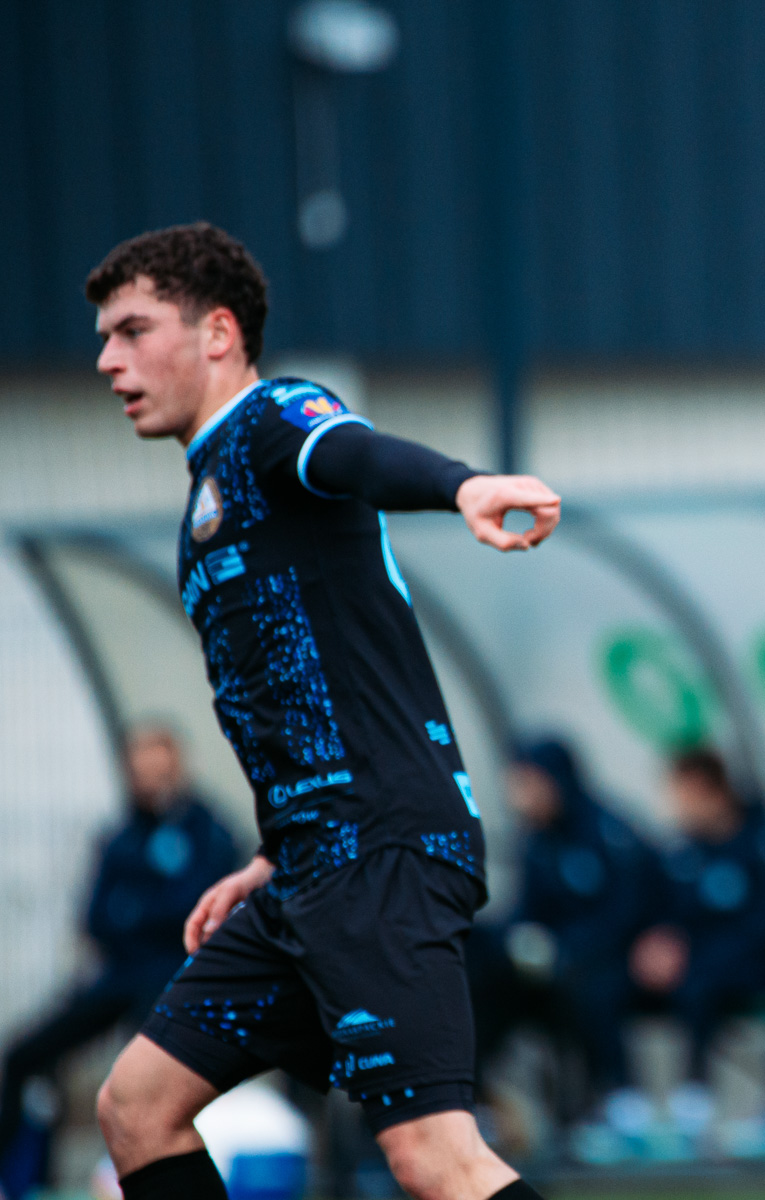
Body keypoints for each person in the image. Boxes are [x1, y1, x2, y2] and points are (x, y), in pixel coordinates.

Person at [85, 221, 561, 1200]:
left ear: (219, 333)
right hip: (309, 866)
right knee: (136, 1108)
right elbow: (300, 699)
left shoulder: (272, 419)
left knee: (435, 1159)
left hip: (379, 856)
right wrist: (271, 853)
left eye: (133, 331)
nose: (108, 361)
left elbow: (350, 453)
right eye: (105, 338)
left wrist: (463, 485)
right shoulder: (209, 493)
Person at [0, 727, 236, 1194]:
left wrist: (133, 910)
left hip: (176, 979)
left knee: (142, 1077)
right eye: (139, 769)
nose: (147, 780)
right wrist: (147, 913)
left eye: (157, 768)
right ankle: (20, 1178)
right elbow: (95, 918)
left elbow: (196, 910)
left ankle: (130, 1174)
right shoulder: (120, 836)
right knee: (23, 1054)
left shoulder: (208, 830)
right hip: (117, 976)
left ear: (177, 767)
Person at [467, 741, 666, 1151]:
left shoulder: (610, 832)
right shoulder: (536, 839)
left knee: (590, 988)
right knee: (482, 972)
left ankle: (612, 1101)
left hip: (611, 965)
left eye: (528, 783)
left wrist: (564, 947)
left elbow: (628, 914)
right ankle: (474, 1099)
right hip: (551, 970)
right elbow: (526, 911)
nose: (520, 796)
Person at [629, 749, 765, 1145]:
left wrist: (695, 955)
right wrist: (658, 943)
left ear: (713, 793)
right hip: (696, 971)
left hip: (758, 970)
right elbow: (663, 915)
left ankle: (697, 1096)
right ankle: (620, 1103)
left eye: (684, 796)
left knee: (702, 981)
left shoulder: (762, 847)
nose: (676, 807)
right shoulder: (681, 853)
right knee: (603, 985)